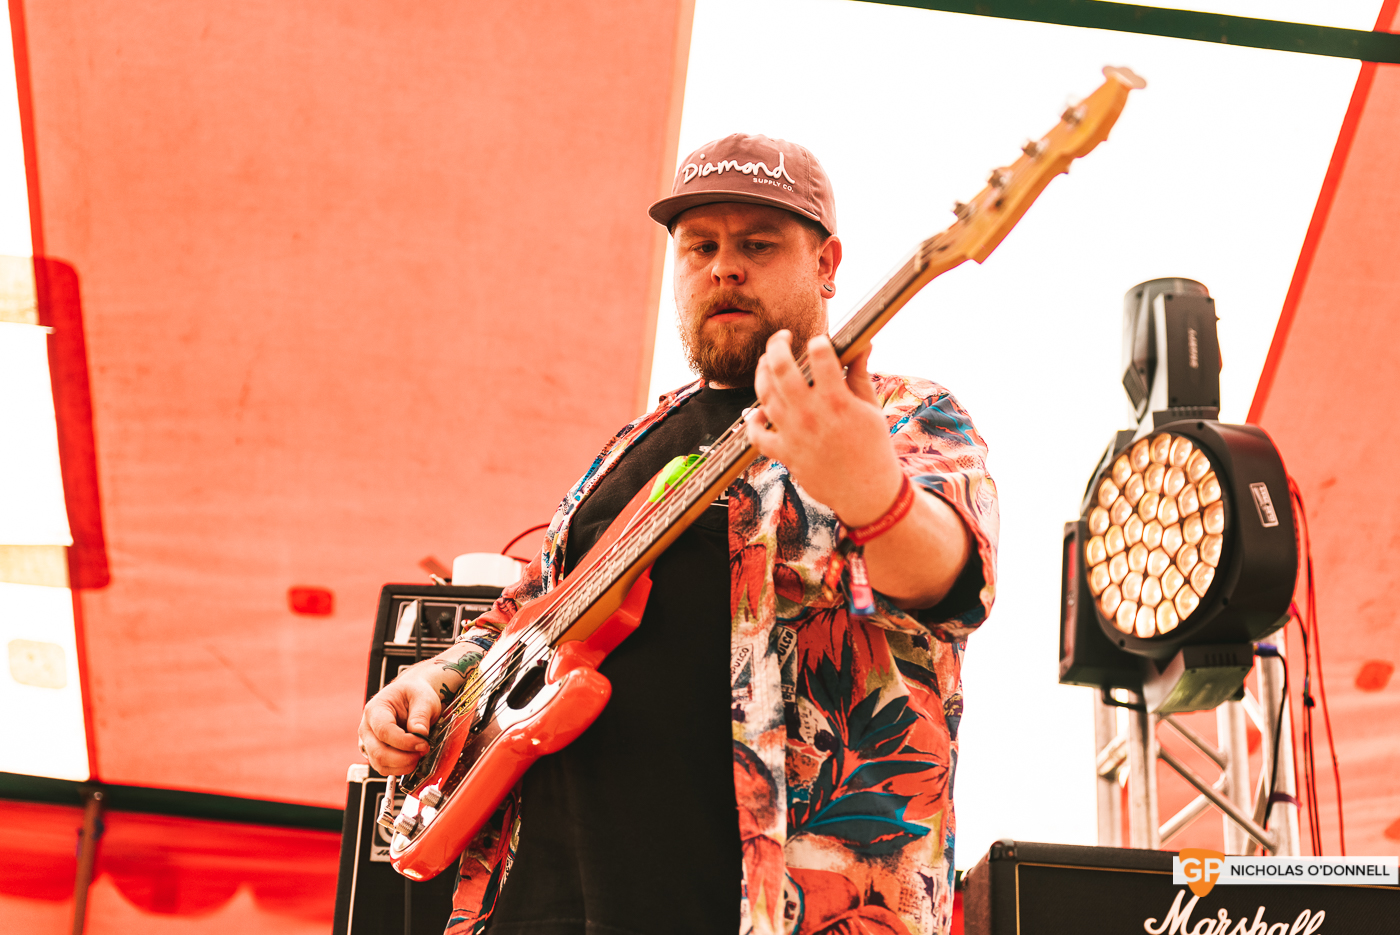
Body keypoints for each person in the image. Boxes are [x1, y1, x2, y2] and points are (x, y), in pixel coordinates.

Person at [359, 133, 999, 935]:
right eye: (700, 246)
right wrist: (434, 681)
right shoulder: (631, 442)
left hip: (770, 904)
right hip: (543, 900)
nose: (723, 267)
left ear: (828, 264)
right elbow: (527, 608)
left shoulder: (900, 412)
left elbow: (952, 578)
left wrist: (869, 487)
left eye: (756, 245)